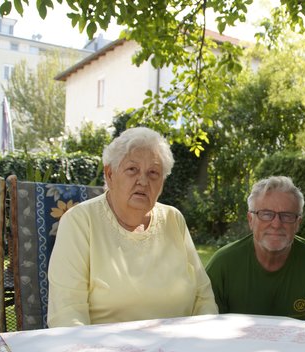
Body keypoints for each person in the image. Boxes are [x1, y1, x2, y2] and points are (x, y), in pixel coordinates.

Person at [47, 127, 218, 327]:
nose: (143, 181)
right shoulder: (80, 222)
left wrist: (204, 338)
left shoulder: (174, 219)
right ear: (110, 174)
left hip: (178, 347)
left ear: (162, 183)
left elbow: (203, 297)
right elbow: (67, 314)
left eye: (153, 173)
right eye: (132, 169)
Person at [206, 176, 305, 325]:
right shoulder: (223, 264)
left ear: (298, 223)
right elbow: (207, 328)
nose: (276, 224)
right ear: (251, 220)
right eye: (266, 214)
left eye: (287, 216)